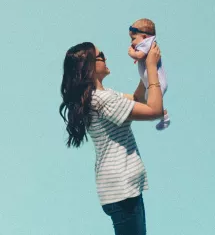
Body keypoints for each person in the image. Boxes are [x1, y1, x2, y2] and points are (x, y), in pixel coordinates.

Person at [59, 41, 164, 235]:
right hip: (122, 189)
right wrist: (151, 68)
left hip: (121, 188)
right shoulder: (102, 100)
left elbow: (136, 100)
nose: (106, 58)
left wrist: (145, 71)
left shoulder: (101, 95)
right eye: (101, 56)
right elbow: (154, 110)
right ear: (89, 66)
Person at [127, 18, 170, 130]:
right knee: (147, 101)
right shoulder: (146, 43)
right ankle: (163, 115)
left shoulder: (147, 44)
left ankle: (164, 116)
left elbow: (140, 56)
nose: (131, 42)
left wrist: (132, 53)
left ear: (144, 37)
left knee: (151, 103)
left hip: (158, 82)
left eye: (133, 39)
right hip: (150, 83)